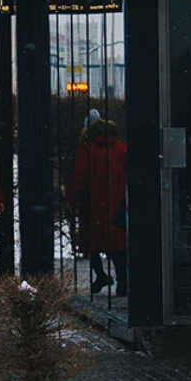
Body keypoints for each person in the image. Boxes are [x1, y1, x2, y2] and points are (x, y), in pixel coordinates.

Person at [69, 109, 129, 296]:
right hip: (116, 202)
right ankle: (123, 282)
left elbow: (79, 176)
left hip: (93, 203)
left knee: (92, 242)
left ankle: (101, 275)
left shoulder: (87, 148)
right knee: (117, 245)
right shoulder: (120, 147)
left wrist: (72, 198)